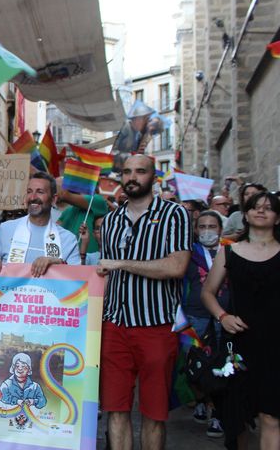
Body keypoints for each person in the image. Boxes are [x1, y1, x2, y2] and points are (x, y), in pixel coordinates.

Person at [98, 154, 191, 450]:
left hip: (156, 325)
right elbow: (104, 272)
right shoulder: (110, 220)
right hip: (114, 324)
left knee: (154, 412)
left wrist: (123, 263)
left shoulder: (174, 214)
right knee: (115, 408)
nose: (132, 177)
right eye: (126, 172)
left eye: (140, 171)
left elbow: (176, 266)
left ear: (154, 176)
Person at [201, 191, 280, 450]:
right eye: (255, 207)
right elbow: (207, 292)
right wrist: (222, 317)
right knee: (238, 419)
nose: (261, 211)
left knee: (271, 416)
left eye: (268, 208)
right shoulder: (229, 252)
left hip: (275, 345)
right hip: (239, 343)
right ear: (245, 214)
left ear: (277, 218)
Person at [180, 210, 227, 439]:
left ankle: (217, 412)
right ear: (195, 230)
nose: (207, 231)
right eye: (202, 227)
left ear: (221, 229)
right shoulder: (189, 253)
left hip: (223, 316)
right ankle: (200, 399)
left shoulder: (230, 251)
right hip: (194, 316)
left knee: (221, 364)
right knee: (193, 362)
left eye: (212, 226)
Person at [0, 172, 81, 276]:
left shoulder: (68, 239)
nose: (32, 197)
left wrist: (58, 263)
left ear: (53, 199)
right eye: (29, 192)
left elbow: (77, 279)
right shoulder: (5, 229)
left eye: (40, 192)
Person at [57, 188, 108, 257]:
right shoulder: (68, 210)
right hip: (68, 258)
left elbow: (63, 195)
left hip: (91, 259)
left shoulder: (98, 200)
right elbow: (54, 231)